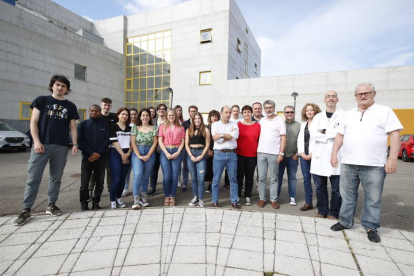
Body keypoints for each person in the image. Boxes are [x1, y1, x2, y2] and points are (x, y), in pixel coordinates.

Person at [330, 83, 403, 243]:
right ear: (355, 96)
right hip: (349, 163)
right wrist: (334, 154)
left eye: (366, 93)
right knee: (347, 196)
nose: (363, 96)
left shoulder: (384, 111)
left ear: (373, 94)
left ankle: (370, 227)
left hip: (374, 165)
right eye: (359, 94)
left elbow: (395, 135)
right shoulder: (348, 114)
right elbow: (340, 136)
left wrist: (392, 159)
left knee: (373, 198)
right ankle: (345, 221)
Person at [14, 75, 79, 226]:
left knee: (56, 178)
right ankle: (26, 209)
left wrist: (74, 144)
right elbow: (34, 122)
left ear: (67, 89)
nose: (60, 88)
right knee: (33, 178)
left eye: (63, 86)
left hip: (61, 146)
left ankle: (51, 204)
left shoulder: (70, 106)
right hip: (41, 145)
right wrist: (36, 141)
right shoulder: (41, 101)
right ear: (52, 86)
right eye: (57, 85)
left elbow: (73, 127)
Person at [310, 90, 344, 219]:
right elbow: (313, 134)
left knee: (336, 189)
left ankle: (334, 213)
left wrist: (323, 132)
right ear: (324, 100)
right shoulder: (318, 117)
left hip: (336, 155)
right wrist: (332, 133)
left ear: (337, 99)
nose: (331, 98)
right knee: (320, 187)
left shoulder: (343, 115)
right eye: (328, 96)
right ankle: (322, 211)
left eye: (333, 96)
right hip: (319, 157)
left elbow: (342, 133)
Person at [78, 105, 109, 211]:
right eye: (92, 111)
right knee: (84, 183)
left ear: (100, 112)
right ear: (89, 112)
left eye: (96, 111)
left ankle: (96, 202)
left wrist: (98, 153)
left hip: (101, 158)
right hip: (87, 158)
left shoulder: (104, 125)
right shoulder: (83, 124)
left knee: (99, 182)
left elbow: (106, 141)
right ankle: (84, 204)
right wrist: (91, 153)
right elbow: (80, 141)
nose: (94, 112)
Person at [257, 100, 286, 209]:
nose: (268, 109)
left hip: (274, 153)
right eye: (267, 108)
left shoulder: (280, 120)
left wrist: (281, 153)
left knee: (274, 178)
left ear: (274, 108)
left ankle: (273, 199)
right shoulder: (262, 121)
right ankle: (262, 199)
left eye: (270, 107)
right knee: (262, 177)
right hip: (261, 153)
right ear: (264, 109)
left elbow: (283, 137)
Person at [211, 106, 240, 209]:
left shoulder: (234, 124)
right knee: (216, 179)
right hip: (219, 154)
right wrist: (229, 135)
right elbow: (216, 139)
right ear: (221, 113)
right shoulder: (215, 124)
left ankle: (234, 201)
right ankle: (214, 201)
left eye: (229, 112)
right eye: (226, 112)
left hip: (232, 154)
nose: (228, 114)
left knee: (233, 179)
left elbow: (235, 136)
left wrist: (221, 135)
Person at [130, 108, 158, 209]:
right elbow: (133, 142)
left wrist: (148, 155)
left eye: (147, 115)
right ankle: (136, 199)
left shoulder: (154, 128)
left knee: (146, 176)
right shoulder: (135, 128)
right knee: (137, 174)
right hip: (137, 152)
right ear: (140, 117)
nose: (145, 117)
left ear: (149, 117)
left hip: (149, 152)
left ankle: (143, 197)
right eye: (143, 115)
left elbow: (155, 142)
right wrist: (138, 155)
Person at [89, 97, 117, 197]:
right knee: (94, 171)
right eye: (104, 105)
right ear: (101, 105)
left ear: (111, 106)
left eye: (108, 105)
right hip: (98, 148)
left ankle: (109, 188)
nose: (106, 107)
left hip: (110, 148)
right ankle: (90, 189)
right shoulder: (97, 116)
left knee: (109, 170)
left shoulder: (114, 117)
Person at [297, 103, 321, 211]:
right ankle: (308, 202)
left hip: (315, 155)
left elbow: (320, 139)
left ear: (315, 111)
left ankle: (321, 203)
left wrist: (312, 153)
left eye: (311, 110)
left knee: (318, 180)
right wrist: (301, 153)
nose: (309, 112)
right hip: (304, 155)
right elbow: (299, 139)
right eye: (307, 111)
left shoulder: (320, 123)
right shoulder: (303, 124)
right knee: (306, 179)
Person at [158, 108, 185, 206]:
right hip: (166, 151)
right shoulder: (162, 126)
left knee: (174, 176)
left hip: (176, 151)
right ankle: (166, 196)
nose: (171, 117)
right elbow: (160, 141)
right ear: (166, 116)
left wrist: (178, 152)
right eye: (169, 115)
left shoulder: (181, 127)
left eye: (173, 115)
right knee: (166, 176)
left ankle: (172, 196)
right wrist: (166, 153)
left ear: (176, 116)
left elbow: (183, 141)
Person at [236, 105, 260, 206]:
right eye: (245, 112)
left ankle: (248, 196)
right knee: (239, 176)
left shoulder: (257, 125)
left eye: (248, 112)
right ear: (242, 113)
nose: (247, 114)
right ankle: (237, 195)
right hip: (240, 154)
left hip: (252, 155)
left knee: (249, 176)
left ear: (252, 113)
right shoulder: (237, 125)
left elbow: (260, 139)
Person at [185, 112, 211, 207]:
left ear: (201, 119)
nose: (197, 120)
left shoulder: (206, 130)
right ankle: (195, 197)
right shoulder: (188, 130)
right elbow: (186, 144)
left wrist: (202, 156)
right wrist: (191, 155)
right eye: (195, 118)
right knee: (194, 178)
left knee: (201, 178)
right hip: (191, 153)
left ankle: (201, 199)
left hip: (201, 153)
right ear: (193, 119)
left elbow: (207, 144)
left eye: (199, 118)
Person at [108, 107, 132, 209]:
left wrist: (128, 154)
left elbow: (132, 143)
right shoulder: (113, 126)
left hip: (127, 153)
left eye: (126, 115)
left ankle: (119, 198)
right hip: (115, 153)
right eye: (123, 114)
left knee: (123, 179)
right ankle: (112, 200)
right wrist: (123, 155)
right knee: (116, 178)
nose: (124, 116)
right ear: (118, 115)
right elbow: (114, 141)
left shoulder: (130, 128)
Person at [277, 105, 301, 206]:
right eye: (287, 112)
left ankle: (292, 197)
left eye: (291, 112)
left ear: (294, 113)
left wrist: (297, 154)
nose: (289, 114)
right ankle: (276, 196)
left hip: (292, 156)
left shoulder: (299, 125)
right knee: (278, 177)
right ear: (284, 113)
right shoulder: (280, 124)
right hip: (281, 156)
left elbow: (302, 141)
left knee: (292, 177)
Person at [148, 103, 167, 196]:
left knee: (165, 169)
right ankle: (153, 187)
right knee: (153, 169)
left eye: (163, 109)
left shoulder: (168, 121)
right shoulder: (152, 121)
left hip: (165, 149)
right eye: (159, 109)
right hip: (154, 149)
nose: (161, 111)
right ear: (157, 111)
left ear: (165, 111)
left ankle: (166, 188)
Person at [180, 105, 198, 191]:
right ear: (189, 112)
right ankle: (185, 183)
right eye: (191, 111)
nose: (193, 113)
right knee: (185, 166)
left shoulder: (199, 123)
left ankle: (196, 182)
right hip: (185, 148)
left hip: (197, 148)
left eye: (194, 111)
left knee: (196, 166)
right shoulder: (185, 124)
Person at [122, 108, 138, 197]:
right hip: (127, 150)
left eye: (135, 114)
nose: (133, 116)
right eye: (131, 114)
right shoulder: (126, 125)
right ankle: (126, 188)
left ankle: (137, 189)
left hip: (137, 151)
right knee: (127, 171)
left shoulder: (139, 125)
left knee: (137, 171)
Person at [205, 110, 220, 193]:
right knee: (210, 169)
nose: (214, 118)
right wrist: (208, 150)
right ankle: (210, 185)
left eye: (216, 116)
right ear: (210, 118)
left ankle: (216, 185)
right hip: (209, 150)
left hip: (218, 150)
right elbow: (204, 140)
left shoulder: (220, 126)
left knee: (217, 170)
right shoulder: (207, 127)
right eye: (212, 116)